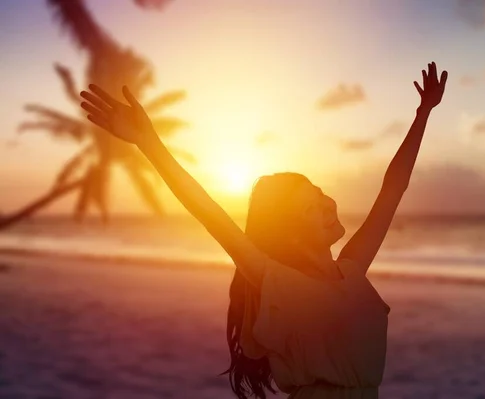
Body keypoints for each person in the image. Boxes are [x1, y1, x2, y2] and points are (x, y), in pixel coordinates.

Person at [80, 62, 447, 399]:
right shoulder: (277, 282)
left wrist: (423, 114)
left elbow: (391, 192)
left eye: (321, 195)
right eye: (310, 207)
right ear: (290, 232)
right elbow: (209, 212)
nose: (328, 205)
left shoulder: (350, 270)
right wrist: (149, 143)